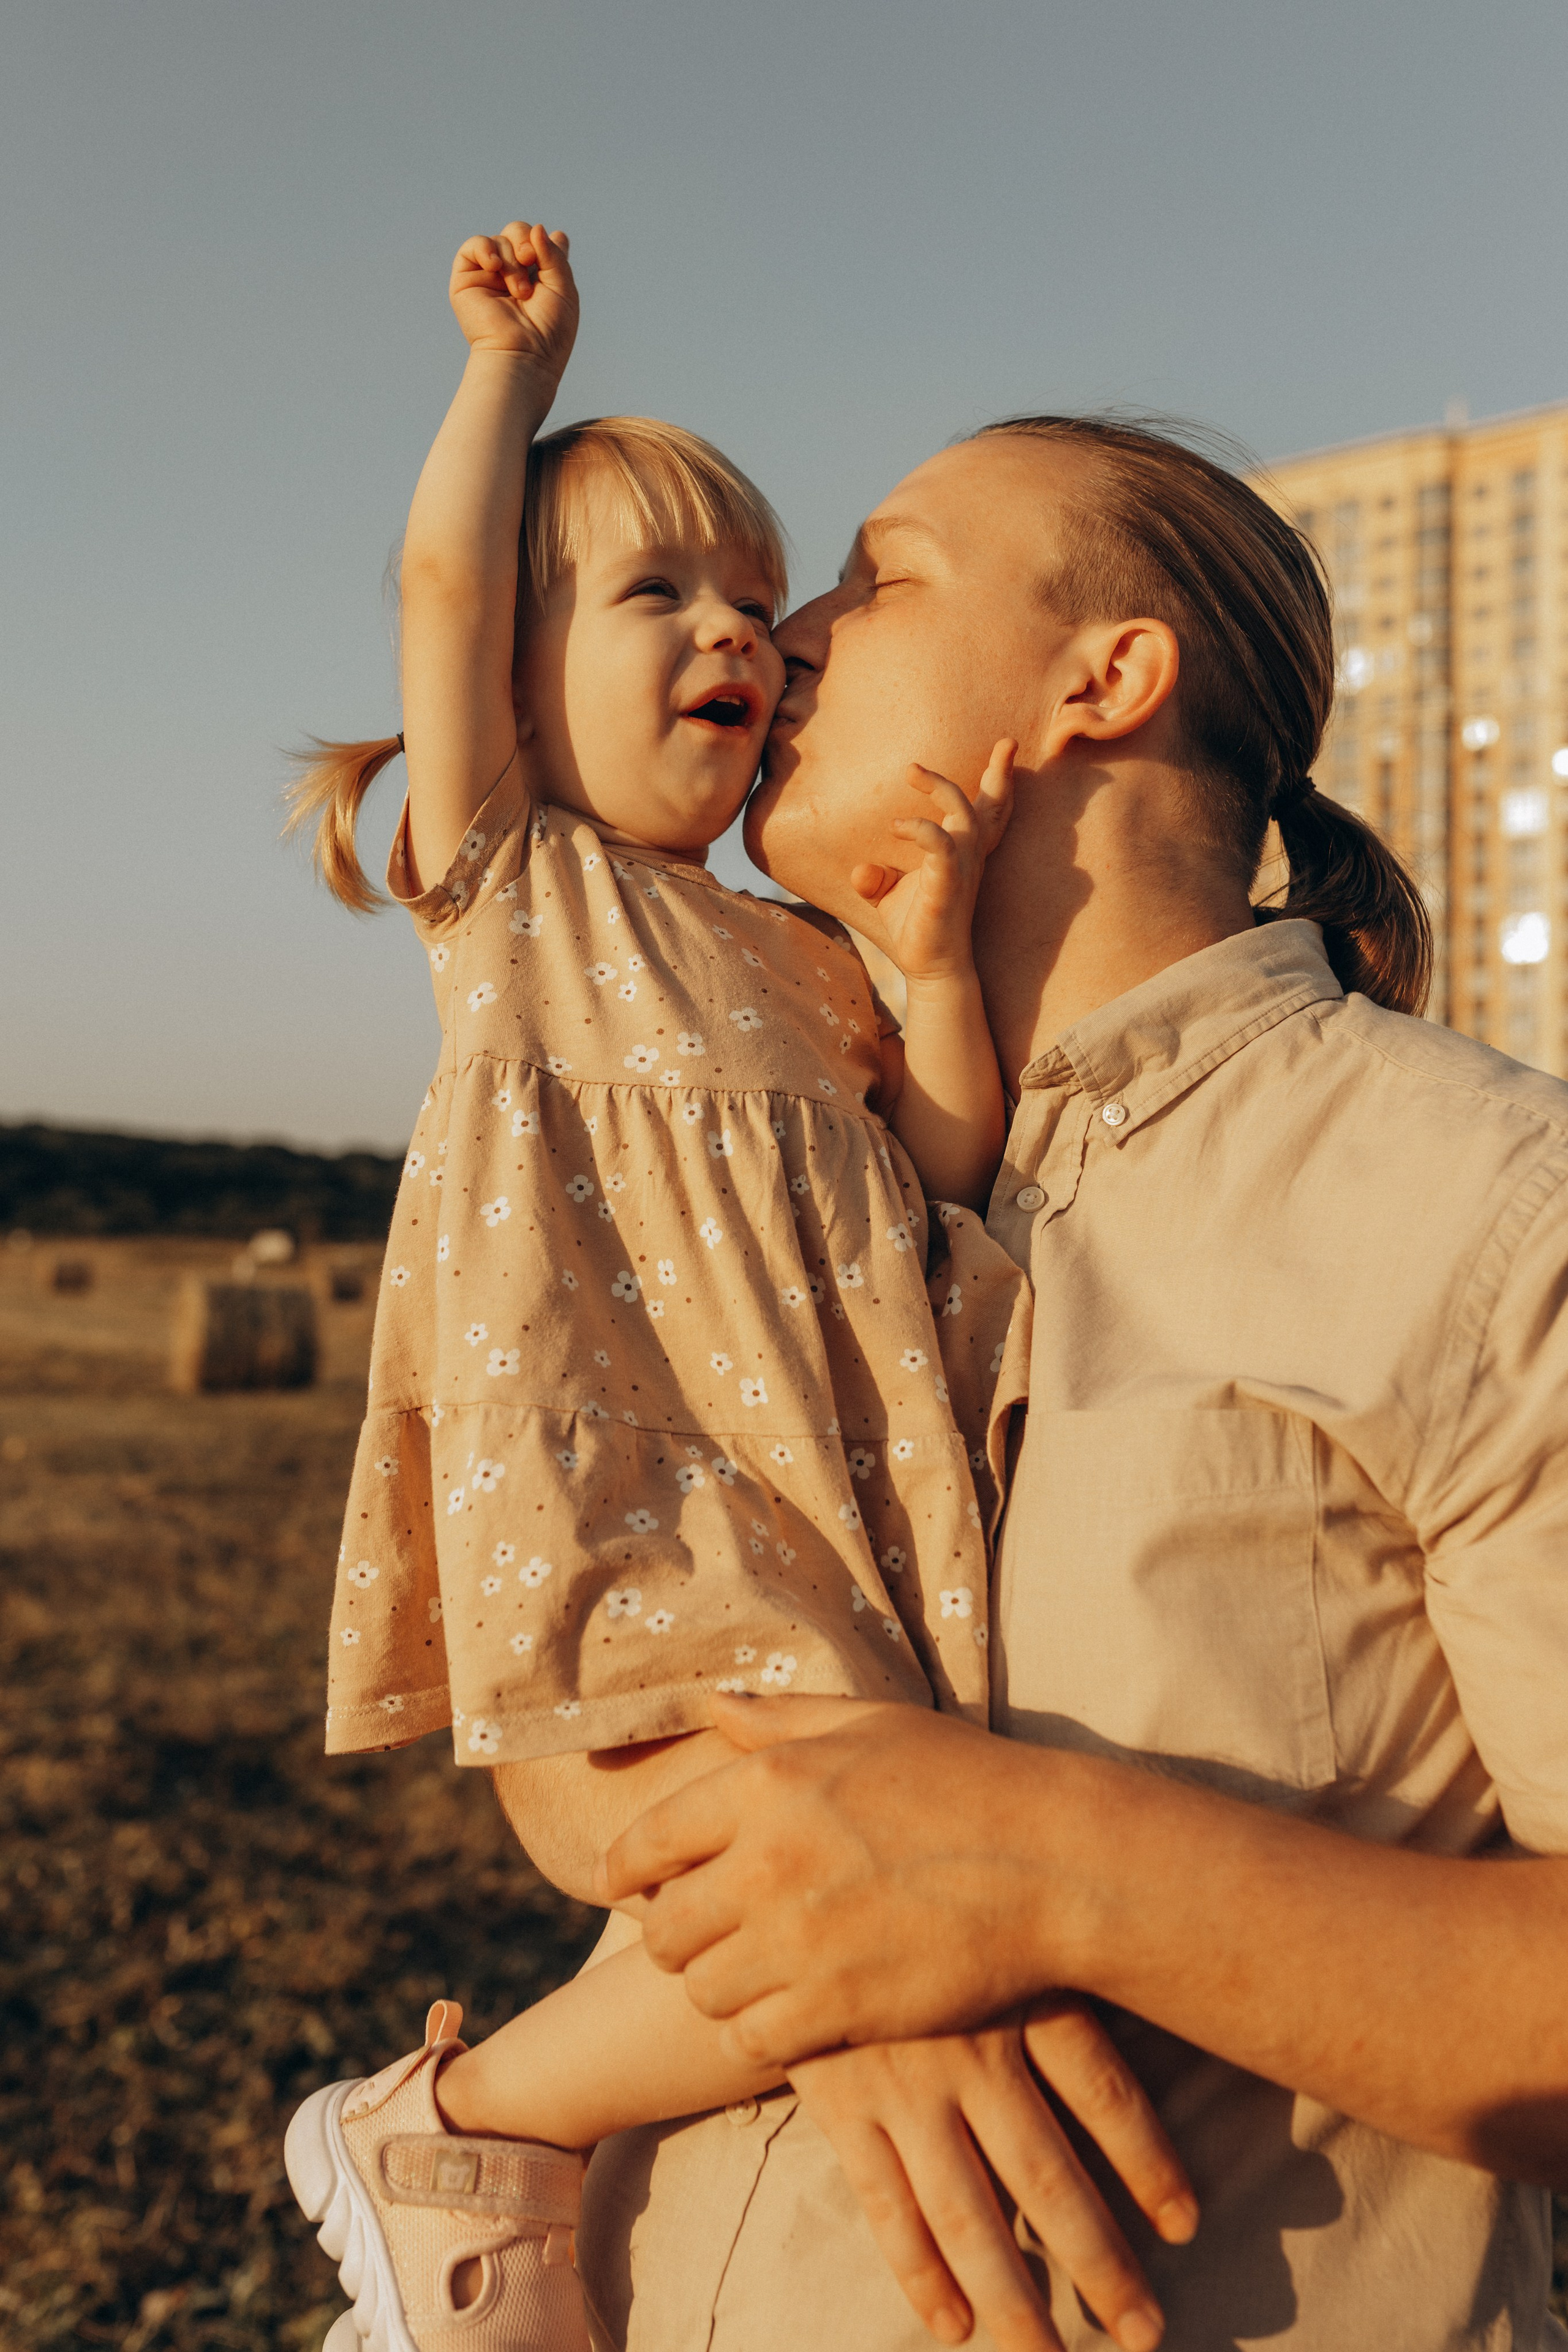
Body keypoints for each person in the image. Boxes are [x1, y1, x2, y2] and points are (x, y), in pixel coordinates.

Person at [281, 230, 1192, 2352]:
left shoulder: (807, 959)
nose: (739, 638)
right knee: (854, 1923)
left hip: (822, 1506)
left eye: (755, 605)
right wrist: (512, 372)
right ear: (515, 679)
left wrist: (939, 960)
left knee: (814, 1921)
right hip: (624, 1494)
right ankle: (446, 2127)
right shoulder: (522, 880)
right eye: (653, 596)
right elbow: (438, 583)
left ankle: (489, 2157)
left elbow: (948, 1174)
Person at [588, 415, 1568, 2350]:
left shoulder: (1492, 1211)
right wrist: (813, 1950)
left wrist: (1042, 1874)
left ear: (1105, 680)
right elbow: (576, 1704)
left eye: (879, 580)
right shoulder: (774, 1164)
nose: (785, 635)